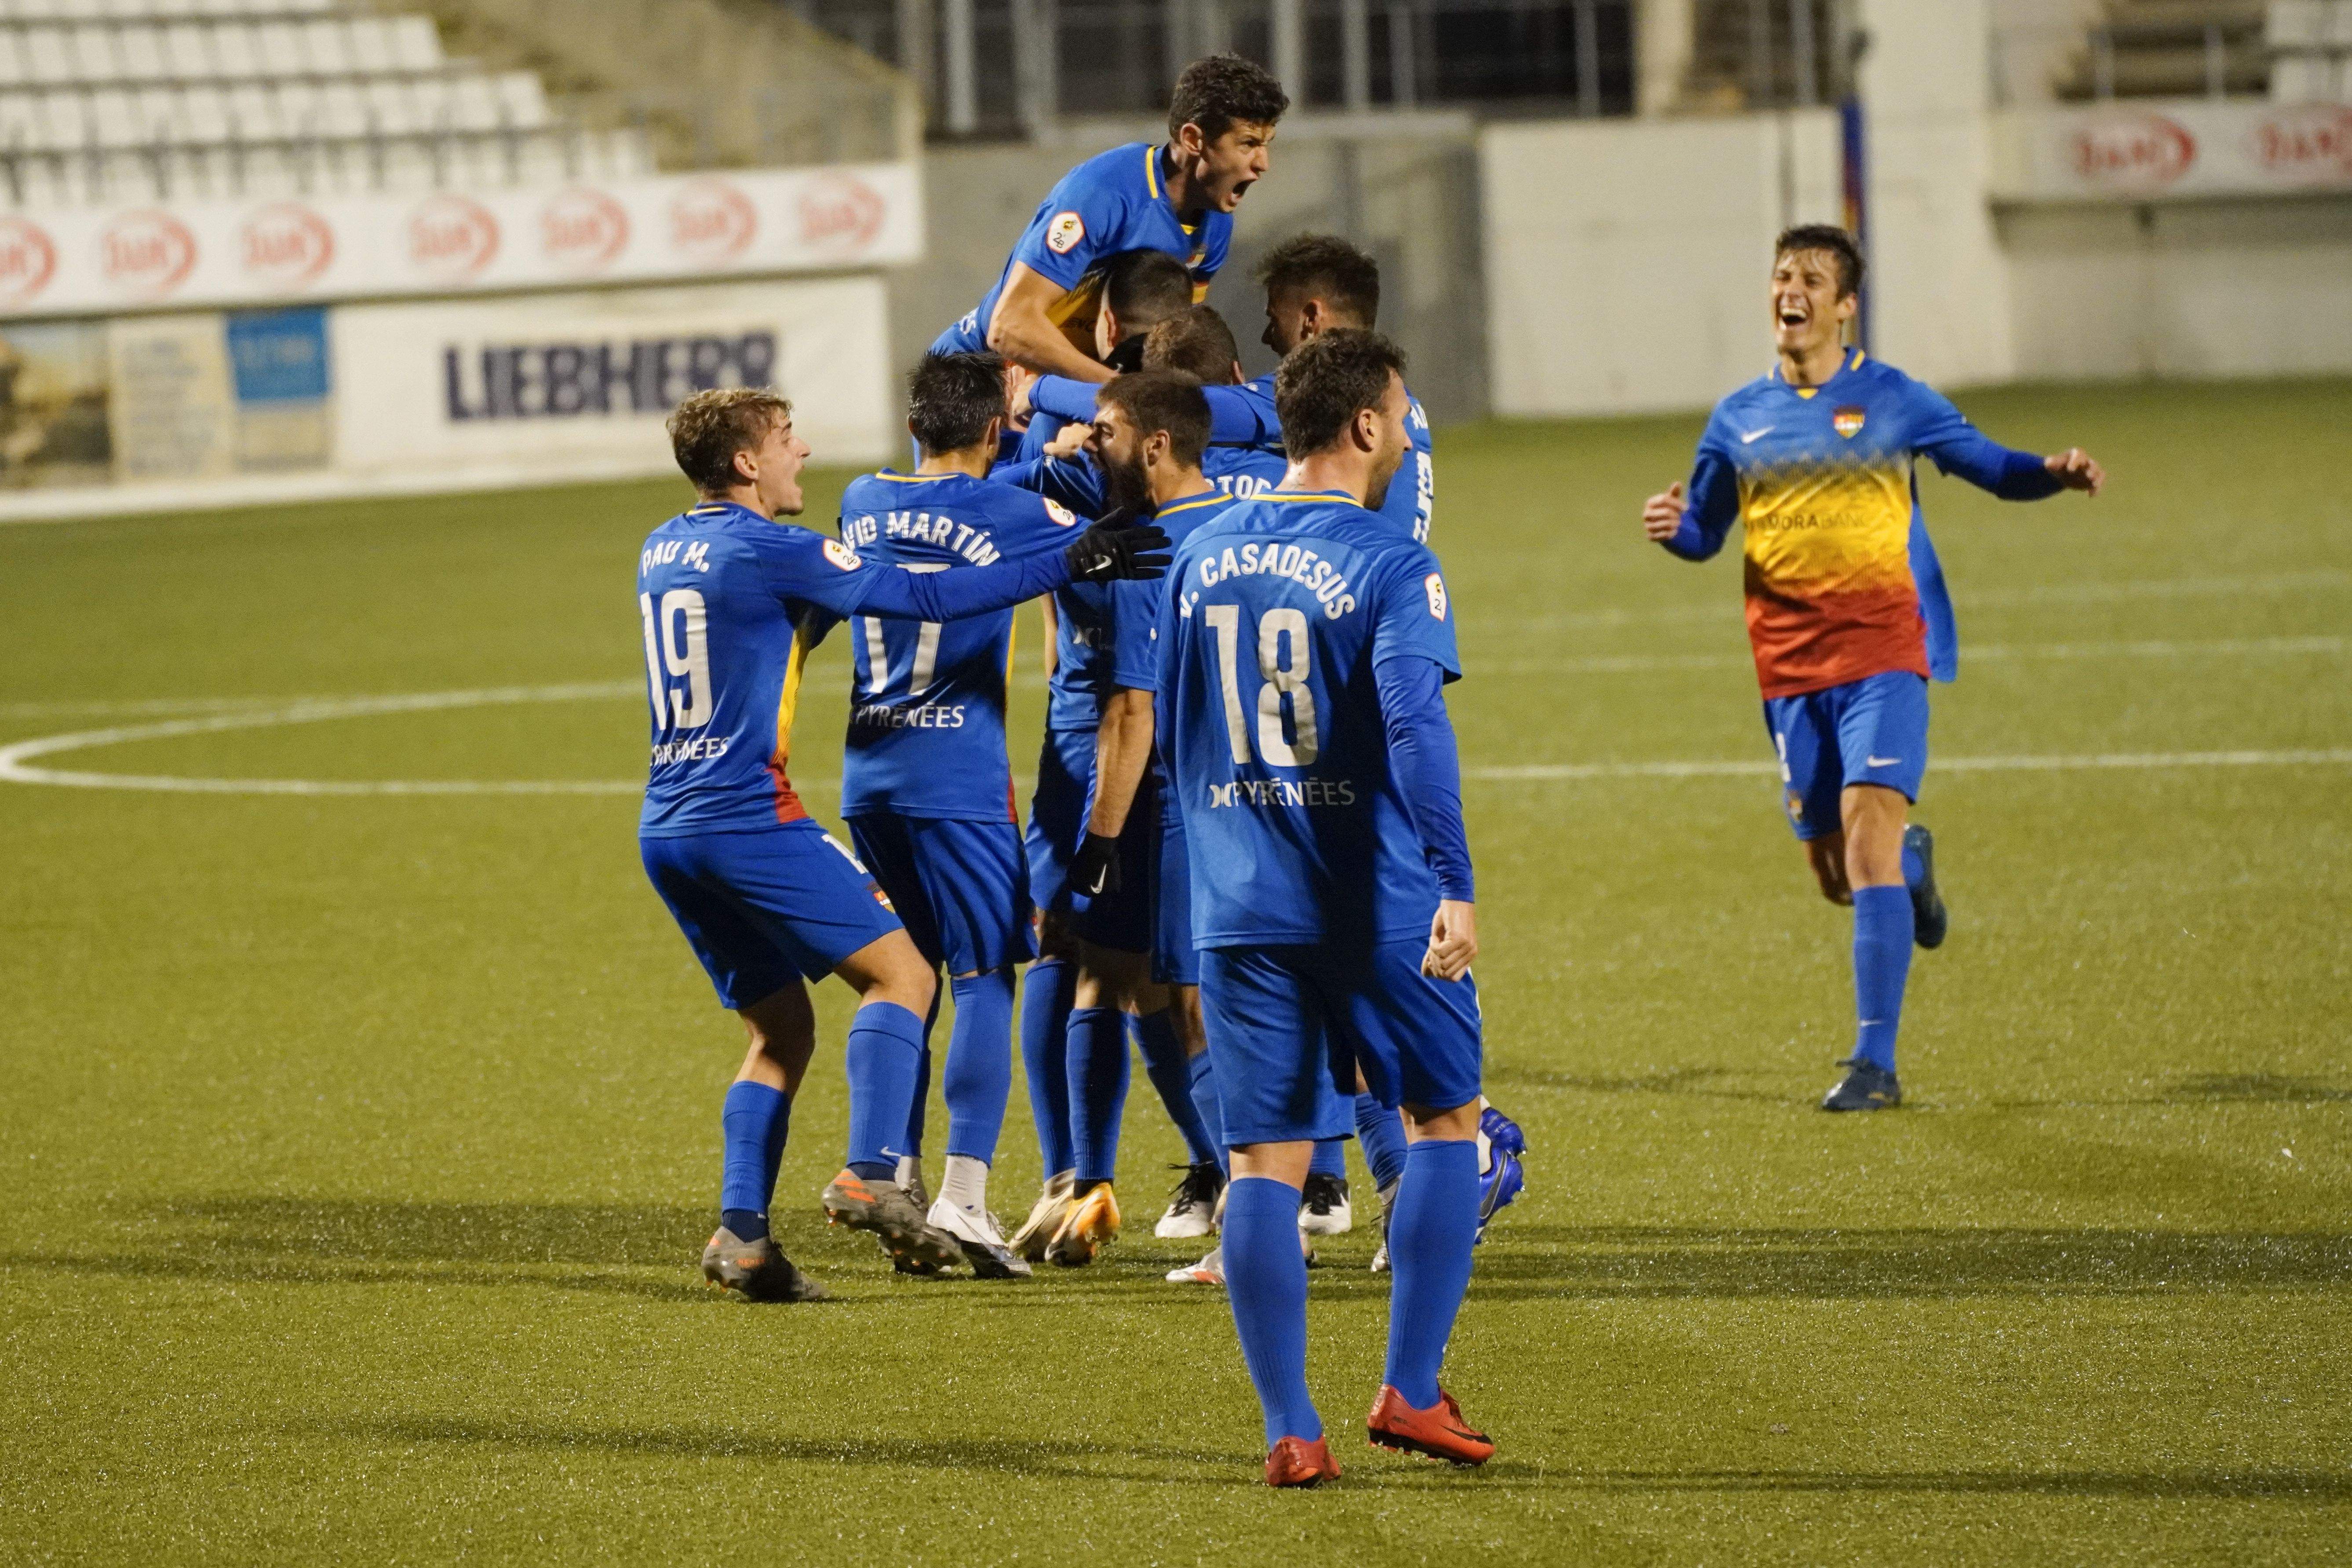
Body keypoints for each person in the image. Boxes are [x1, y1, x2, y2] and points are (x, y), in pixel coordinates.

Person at [634, 386, 1166, 1300]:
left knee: (780, 1029)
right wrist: (1074, 552)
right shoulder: (774, 547)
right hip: (747, 816)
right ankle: (878, 1170)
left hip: (667, 827)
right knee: (910, 977)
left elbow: (794, 619)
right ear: (748, 463)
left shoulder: (662, 547)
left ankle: (743, 1234)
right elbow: (923, 592)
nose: (802, 454)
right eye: (786, 441)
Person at [1640, 224, 2104, 1112]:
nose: (1792, 290)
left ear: (1844, 305)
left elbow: (1991, 469)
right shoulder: (1737, 416)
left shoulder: (1892, 398)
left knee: (1864, 836)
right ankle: (1912, 873)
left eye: (1811, 278)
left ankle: (1873, 1064)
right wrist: (1674, 531)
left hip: (1886, 649)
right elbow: (1705, 531)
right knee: (1837, 873)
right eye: (1781, 275)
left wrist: (2051, 471)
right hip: (1785, 667)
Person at [1157, 331, 1495, 1484]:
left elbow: (1177, 730)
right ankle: (1407, 1385)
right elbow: (1413, 724)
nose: (1402, 434)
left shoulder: (1195, 556)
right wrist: (1453, 878)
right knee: (1448, 1124)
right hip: (1374, 900)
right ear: (1361, 425)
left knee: (1262, 1162)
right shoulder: (1391, 558)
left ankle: (1289, 1429)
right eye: (1397, 416)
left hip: (1237, 902)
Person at [832, 353, 1096, 1280]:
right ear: (995, 430)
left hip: (870, 773)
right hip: (959, 779)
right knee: (987, 974)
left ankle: (895, 1182)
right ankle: (965, 1198)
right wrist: (1058, 437)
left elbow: (935, 500)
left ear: (914, 423)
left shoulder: (861, 498)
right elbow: (1105, 512)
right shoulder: (1016, 511)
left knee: (901, 979)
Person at [1028, 233, 1436, 543]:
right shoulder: (1394, 400)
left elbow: (1179, 407)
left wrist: (1039, 390)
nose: (1266, 338)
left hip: (1355, 585)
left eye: (1274, 319)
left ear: (1311, 318)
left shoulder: (1332, 394)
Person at [930, 54, 1287, 382]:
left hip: (1062, 382)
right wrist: (1122, 394)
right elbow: (1008, 328)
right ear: (1193, 139)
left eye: (1266, 144)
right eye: (1248, 144)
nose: (1263, 164)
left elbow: (1176, 343)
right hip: (978, 373)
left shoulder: (1216, 223)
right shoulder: (1103, 194)